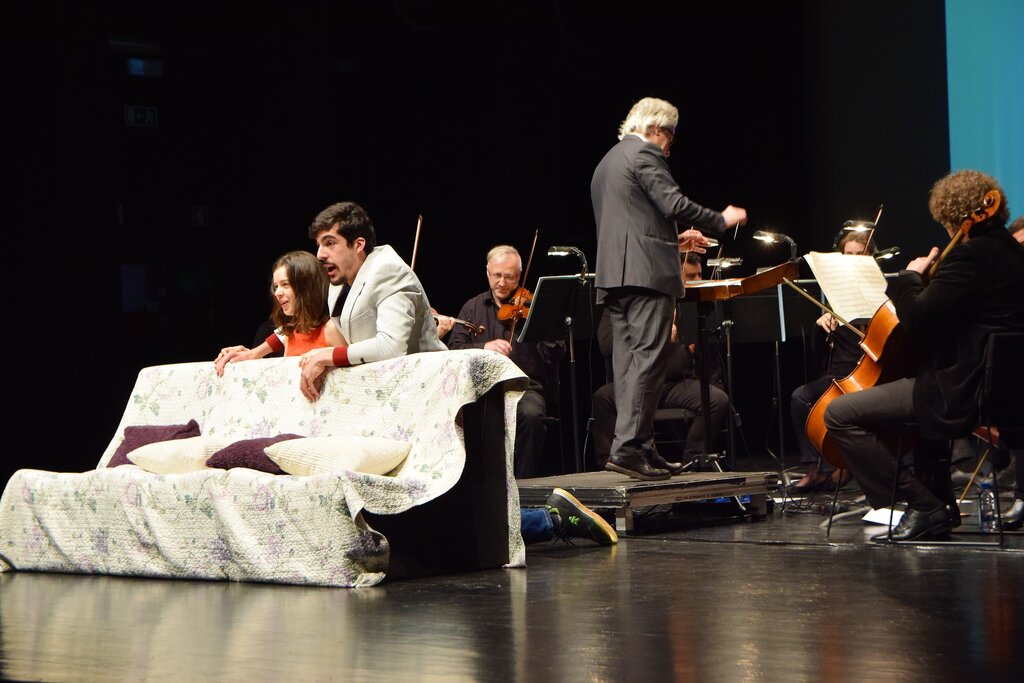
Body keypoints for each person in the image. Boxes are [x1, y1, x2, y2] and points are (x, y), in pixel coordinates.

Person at [824, 170, 1024, 542]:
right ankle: (941, 504)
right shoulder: (1013, 254)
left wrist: (910, 278)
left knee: (839, 414)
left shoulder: (970, 256)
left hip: (962, 390)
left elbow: (916, 318)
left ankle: (923, 503)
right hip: (1005, 388)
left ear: (951, 217)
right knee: (915, 392)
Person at [591, 95, 747, 481]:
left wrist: (672, 241)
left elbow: (629, 224)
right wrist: (720, 219)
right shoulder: (646, 153)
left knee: (628, 366)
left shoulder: (607, 161)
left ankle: (638, 447)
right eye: (671, 140)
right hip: (646, 279)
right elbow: (673, 202)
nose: (669, 149)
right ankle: (629, 448)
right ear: (658, 129)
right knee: (648, 361)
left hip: (615, 277)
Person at [294, 201, 449, 400]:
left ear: (358, 244)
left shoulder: (388, 271)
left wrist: (329, 355)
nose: (320, 254)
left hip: (425, 389)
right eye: (319, 245)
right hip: (382, 389)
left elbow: (391, 346)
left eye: (330, 243)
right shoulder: (338, 279)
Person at [592, 252, 730, 472]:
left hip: (676, 384)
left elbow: (708, 348)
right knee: (602, 398)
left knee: (717, 400)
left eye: (699, 275)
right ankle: (611, 463)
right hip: (637, 383)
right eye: (689, 276)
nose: (695, 282)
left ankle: (692, 460)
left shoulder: (694, 303)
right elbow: (607, 345)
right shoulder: (625, 299)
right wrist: (657, 336)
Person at [447, 245, 565, 479]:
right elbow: (454, 351)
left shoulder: (533, 307)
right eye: (497, 275)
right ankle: (477, 486)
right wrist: (484, 348)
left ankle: (523, 485)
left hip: (524, 388)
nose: (501, 282)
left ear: (519, 276)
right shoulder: (472, 308)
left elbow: (554, 356)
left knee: (532, 416)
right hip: (483, 389)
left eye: (509, 277)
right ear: (487, 272)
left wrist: (542, 322)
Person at [788, 230, 876, 493]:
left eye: (858, 255)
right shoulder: (835, 294)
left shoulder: (882, 292)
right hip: (837, 376)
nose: (850, 261)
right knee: (800, 398)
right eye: (846, 255)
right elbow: (819, 354)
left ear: (871, 258)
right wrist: (820, 326)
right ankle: (815, 468)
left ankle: (845, 464)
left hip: (869, 376)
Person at [214, 251, 346, 375]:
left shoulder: (331, 329)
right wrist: (238, 355)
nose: (277, 293)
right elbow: (256, 355)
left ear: (307, 288)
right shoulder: (289, 332)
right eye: (276, 286)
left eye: (285, 284)